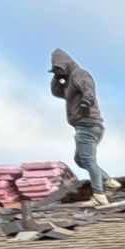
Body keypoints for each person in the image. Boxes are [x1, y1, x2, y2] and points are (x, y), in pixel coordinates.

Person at [51, 49, 111, 206]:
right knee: (80, 159)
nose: (60, 73)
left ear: (66, 65)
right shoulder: (70, 82)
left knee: (87, 159)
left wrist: (86, 103)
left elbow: (89, 89)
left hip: (88, 123)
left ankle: (99, 194)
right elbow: (57, 93)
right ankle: (108, 181)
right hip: (85, 125)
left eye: (60, 70)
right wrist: (57, 79)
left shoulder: (79, 74)